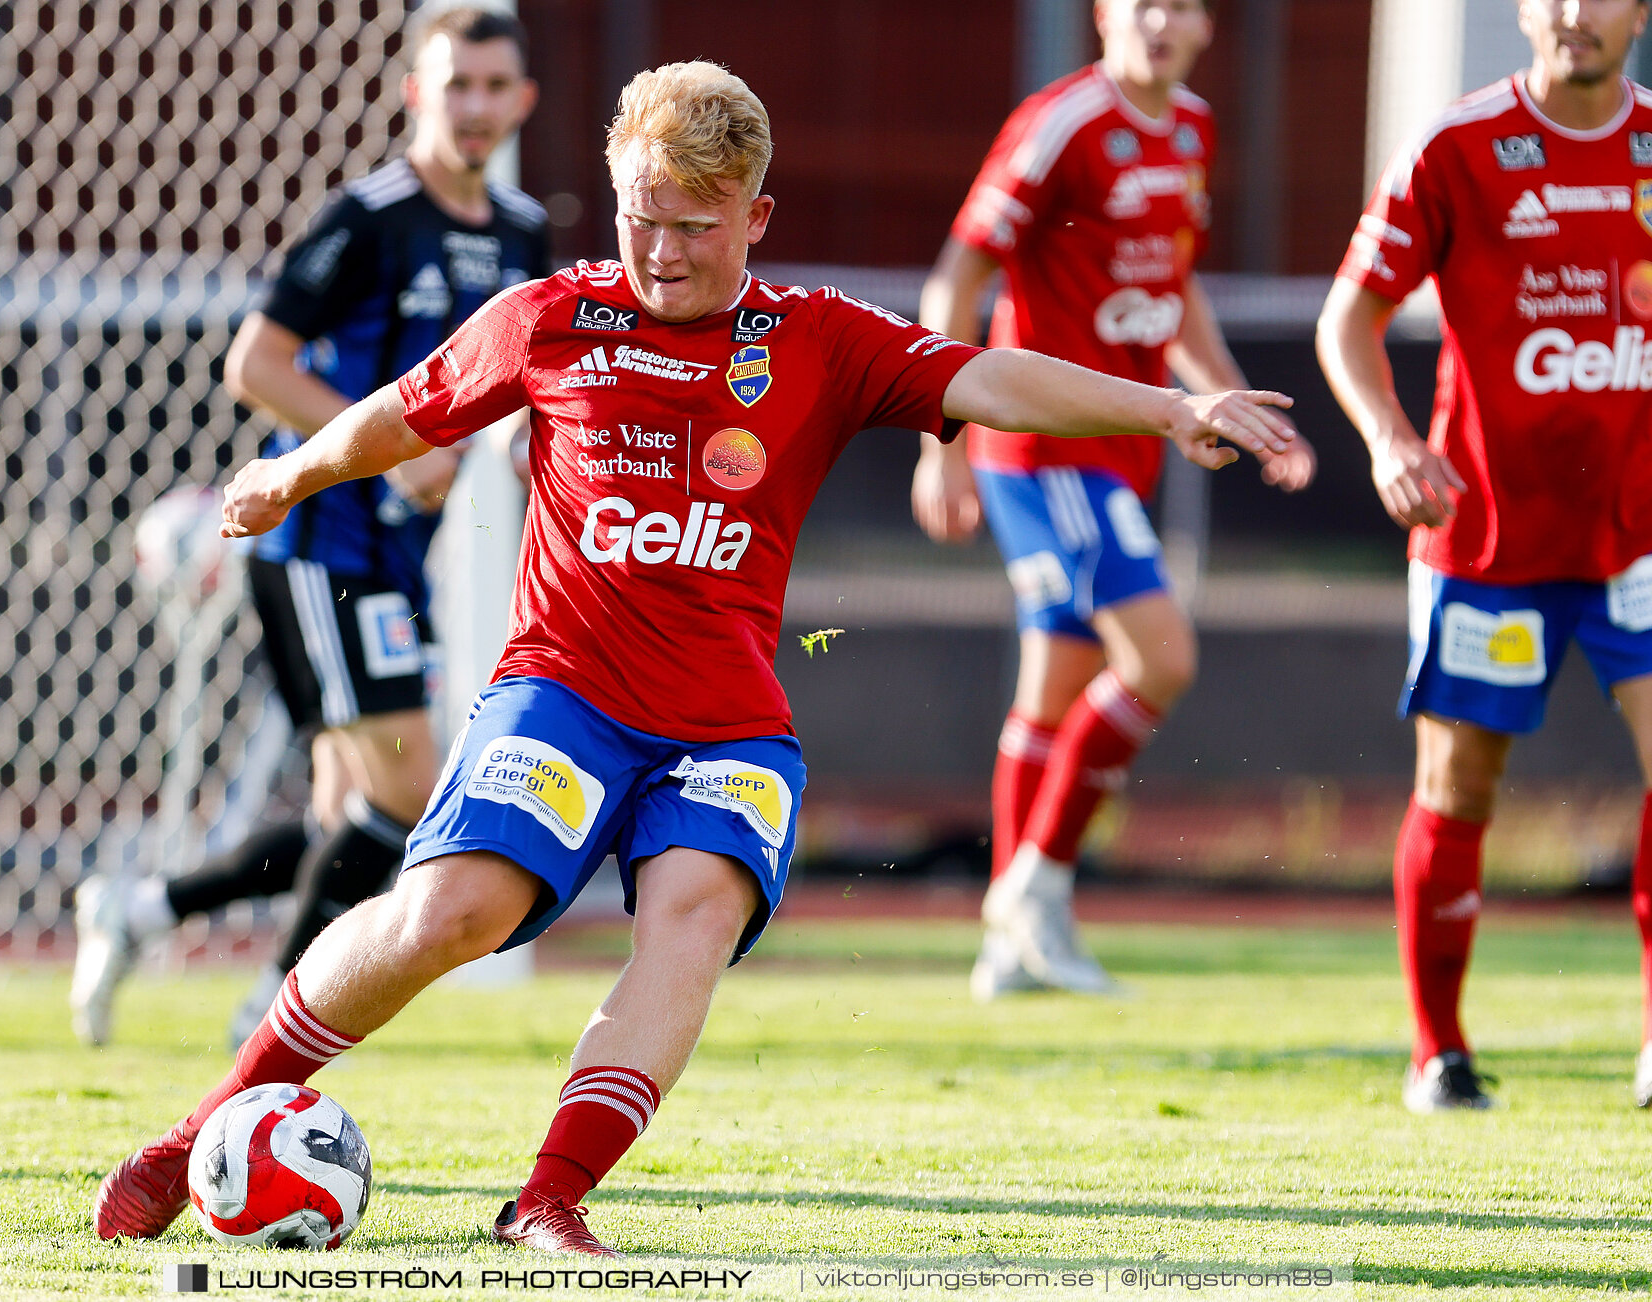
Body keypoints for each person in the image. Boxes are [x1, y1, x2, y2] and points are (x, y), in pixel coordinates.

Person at [92, 60, 1293, 1257]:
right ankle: (195, 1136)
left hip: (727, 722)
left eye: (693, 227)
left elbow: (987, 377)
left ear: (756, 218)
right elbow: (408, 406)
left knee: (693, 917)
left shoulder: (818, 339)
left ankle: (547, 1203)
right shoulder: (552, 317)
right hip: (561, 694)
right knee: (450, 913)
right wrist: (292, 474)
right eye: (639, 219)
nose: (659, 252)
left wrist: (1169, 409)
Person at [69, 2, 546, 1048]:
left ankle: (142, 912)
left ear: (523, 103)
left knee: (350, 822)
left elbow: (514, 397)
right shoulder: (366, 218)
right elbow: (257, 363)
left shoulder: (521, 237)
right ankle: (274, 1018)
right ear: (416, 91)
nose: (474, 106)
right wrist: (398, 445)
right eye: (454, 84)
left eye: (493, 87)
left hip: (397, 560)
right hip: (320, 547)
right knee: (409, 794)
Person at [911, 0, 1316, 1001]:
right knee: (1162, 656)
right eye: (1143, 3)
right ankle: (1034, 887)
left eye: (1183, 6)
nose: (1162, 22)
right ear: (1103, 16)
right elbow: (958, 276)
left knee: (1053, 689)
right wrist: (942, 439)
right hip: (1052, 446)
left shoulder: (1194, 128)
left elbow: (1172, 293)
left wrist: (1241, 408)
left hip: (1122, 449)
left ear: (1207, 26)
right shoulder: (1062, 123)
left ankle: (1013, 943)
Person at [1318, 0, 1652, 1113]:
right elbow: (1349, 319)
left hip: (1637, 534)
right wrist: (1390, 439)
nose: (1577, 14)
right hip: (1489, 539)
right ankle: (1438, 1052)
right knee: (1460, 791)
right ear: (1524, 10)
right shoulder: (1456, 148)